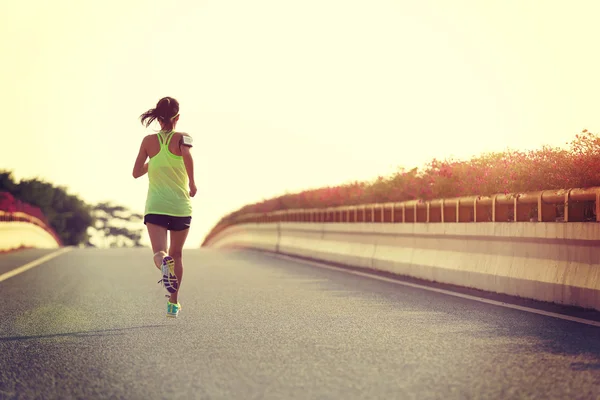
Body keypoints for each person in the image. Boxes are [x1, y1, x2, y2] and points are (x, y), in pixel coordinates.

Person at [132, 96, 197, 318]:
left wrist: (156, 159)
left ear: (158, 119)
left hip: (156, 207)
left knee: (160, 252)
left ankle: (163, 263)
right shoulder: (183, 137)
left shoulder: (148, 141)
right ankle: (173, 303)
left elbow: (136, 172)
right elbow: (187, 156)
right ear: (177, 117)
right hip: (180, 206)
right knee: (177, 255)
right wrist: (192, 183)